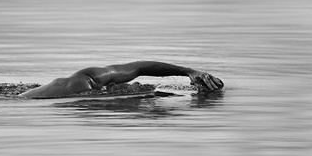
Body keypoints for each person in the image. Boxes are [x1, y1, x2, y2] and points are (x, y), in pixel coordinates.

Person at [19, 60, 224, 99]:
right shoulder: (84, 82)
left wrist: (190, 72)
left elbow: (139, 68)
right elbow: (139, 68)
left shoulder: (88, 78)